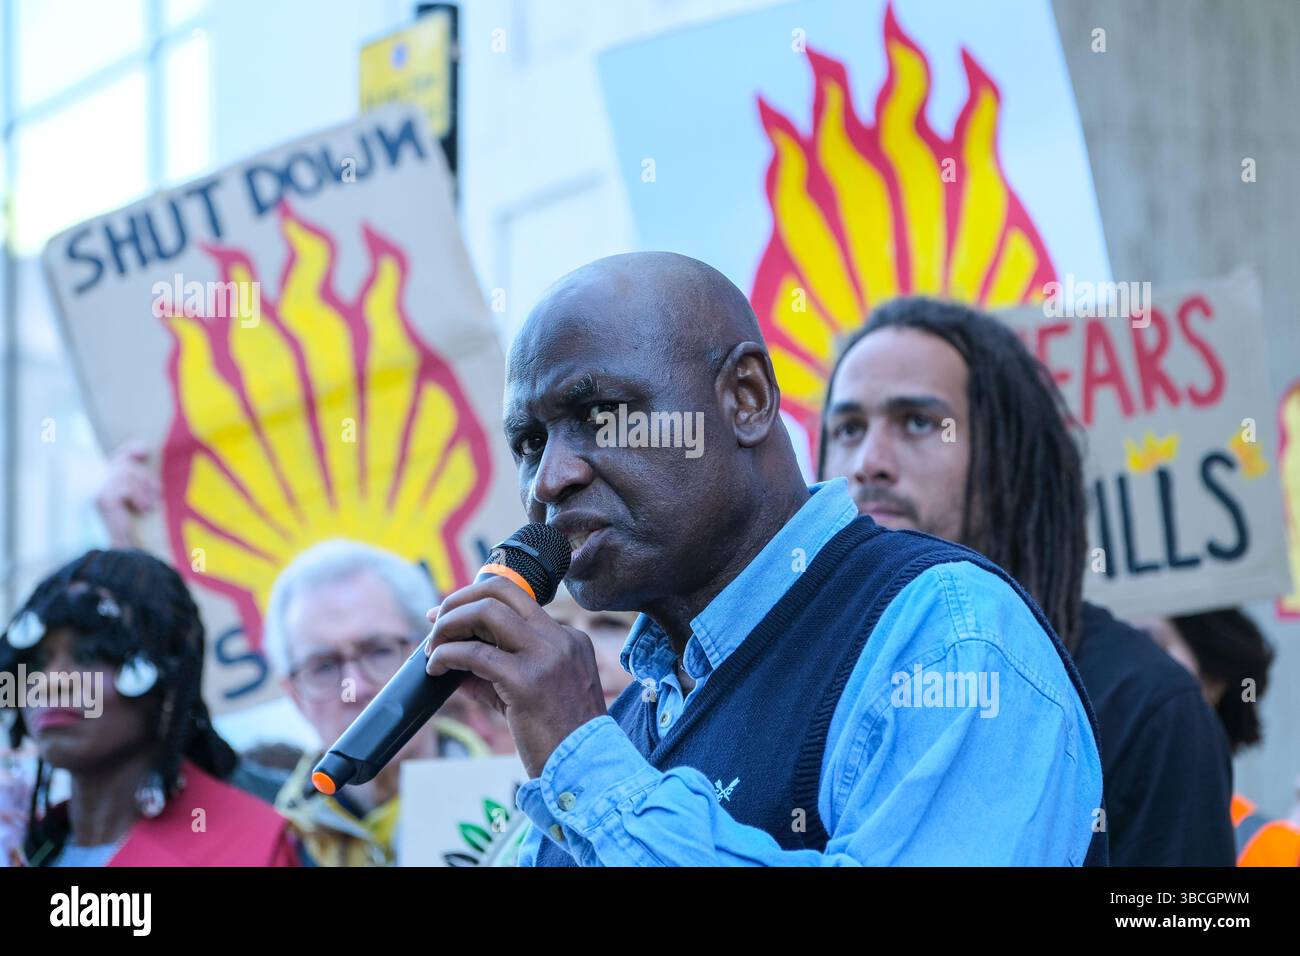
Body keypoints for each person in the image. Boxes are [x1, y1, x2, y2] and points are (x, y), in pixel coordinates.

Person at [423, 252, 1104, 866]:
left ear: (745, 399)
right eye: (528, 441)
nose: (551, 477)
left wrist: (586, 763)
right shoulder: (618, 725)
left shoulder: (947, 635)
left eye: (602, 414)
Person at [819, 296, 1235, 866]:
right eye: (847, 428)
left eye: (918, 422)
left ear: (1005, 460)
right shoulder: (779, 678)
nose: (869, 460)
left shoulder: (1145, 704)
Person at [92, 449, 500, 865]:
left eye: (379, 650)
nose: (354, 687)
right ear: (293, 692)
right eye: (323, 666)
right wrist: (127, 553)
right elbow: (167, 736)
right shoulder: (264, 827)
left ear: (433, 649)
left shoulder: (532, 789)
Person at [0, 549, 297, 866]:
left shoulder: (250, 850)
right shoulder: (22, 847)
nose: (51, 682)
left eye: (89, 655)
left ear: (168, 684)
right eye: (37, 661)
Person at [1143, 609, 1300, 866]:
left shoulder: (1274, 851)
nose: (1120, 663)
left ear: (1214, 678)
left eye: (1149, 643)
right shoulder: (1069, 829)